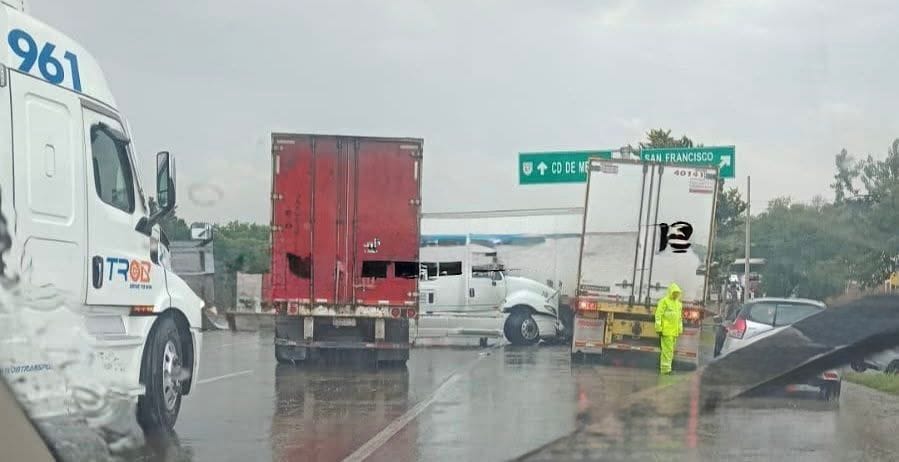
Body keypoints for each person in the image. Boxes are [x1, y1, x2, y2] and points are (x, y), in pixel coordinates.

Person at [655, 283, 683, 374]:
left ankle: (667, 368)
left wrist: (680, 328)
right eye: (674, 293)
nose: (675, 295)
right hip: (666, 331)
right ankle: (665, 370)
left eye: (677, 293)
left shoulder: (678, 304)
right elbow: (658, 315)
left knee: (670, 351)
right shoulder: (664, 301)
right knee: (667, 351)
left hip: (674, 332)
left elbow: (679, 318)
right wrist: (659, 328)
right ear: (670, 292)